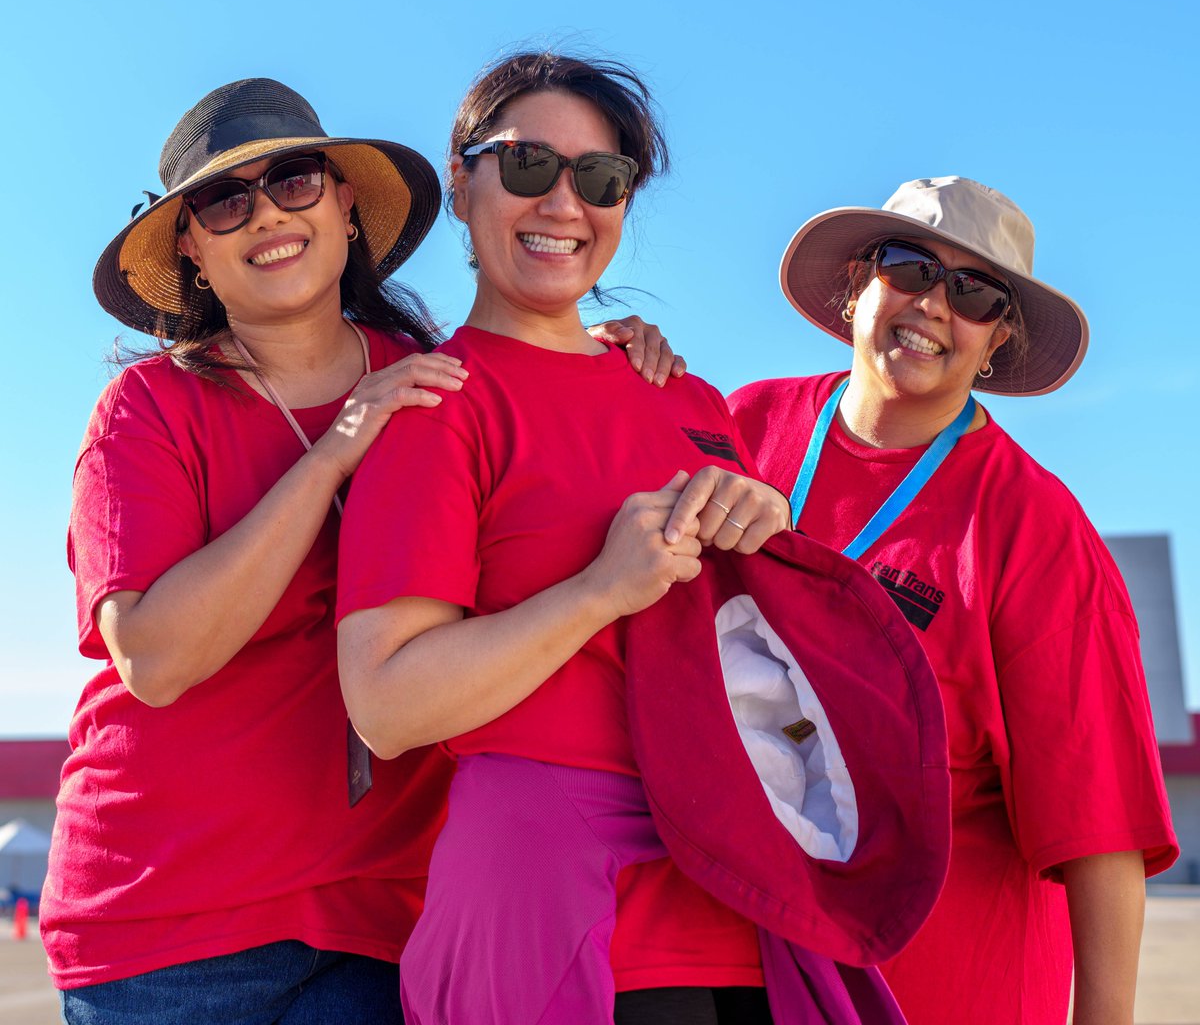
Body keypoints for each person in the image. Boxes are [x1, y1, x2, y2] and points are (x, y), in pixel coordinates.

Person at [45, 76, 677, 1025]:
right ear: (192, 249)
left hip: (385, 916)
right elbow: (156, 660)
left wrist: (610, 354)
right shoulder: (147, 411)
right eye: (226, 200)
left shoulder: (442, 377)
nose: (267, 214)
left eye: (295, 180)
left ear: (345, 205)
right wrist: (336, 448)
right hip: (167, 925)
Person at [336, 52, 804, 1024]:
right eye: (526, 165)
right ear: (463, 184)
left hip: (743, 895)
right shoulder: (440, 406)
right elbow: (385, 702)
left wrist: (773, 534)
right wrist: (598, 589)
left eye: (600, 179)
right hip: (565, 920)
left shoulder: (686, 395)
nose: (563, 204)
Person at [728, 176, 1179, 1025]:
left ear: (997, 338)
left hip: (942, 976)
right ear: (861, 280)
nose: (934, 303)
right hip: (737, 938)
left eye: (974, 292)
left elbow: (1100, 816)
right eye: (910, 267)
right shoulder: (743, 428)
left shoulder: (1034, 526)